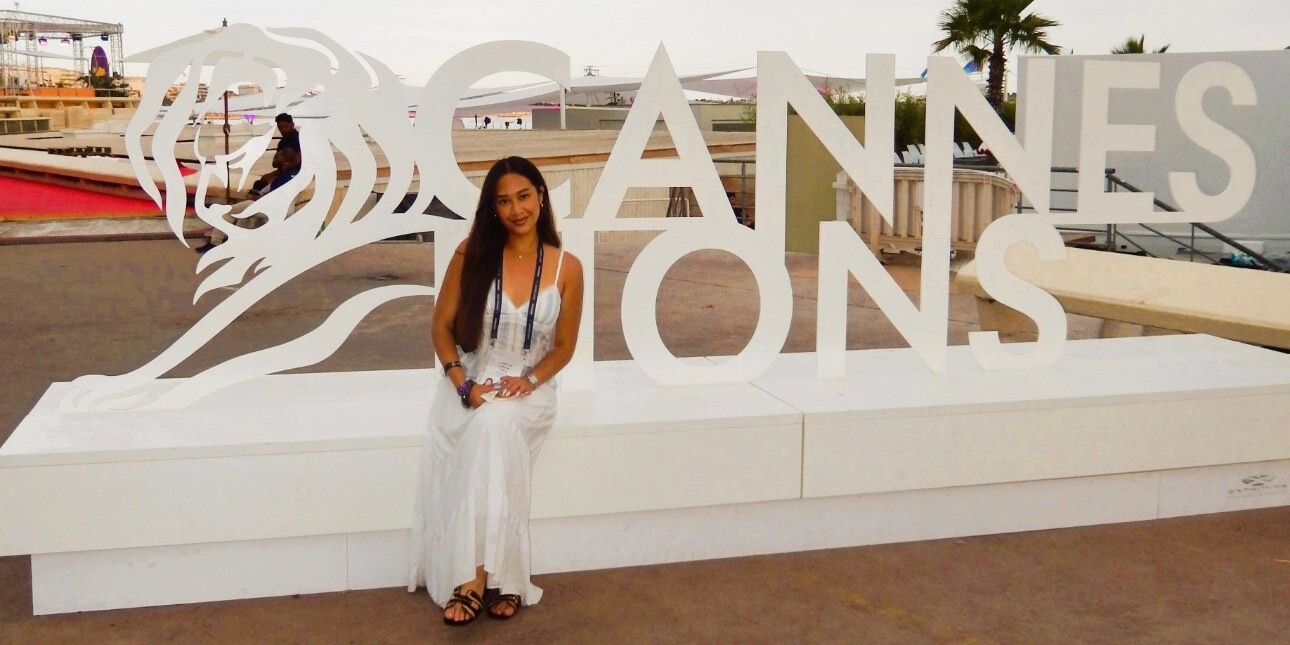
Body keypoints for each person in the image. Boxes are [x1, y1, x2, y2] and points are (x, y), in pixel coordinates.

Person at [408, 156, 584, 626]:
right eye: (503, 201)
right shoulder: (472, 254)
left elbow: (565, 347)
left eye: (524, 196)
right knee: (489, 422)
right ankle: (499, 577)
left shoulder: (568, 268)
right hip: (471, 382)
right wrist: (463, 385)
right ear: (492, 208)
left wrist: (529, 380)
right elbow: (440, 330)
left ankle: (474, 580)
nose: (516, 209)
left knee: (498, 422)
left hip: (531, 389)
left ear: (540, 196)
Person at [195, 114, 302, 252]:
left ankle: (215, 242)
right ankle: (239, 241)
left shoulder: (284, 174)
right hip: (282, 208)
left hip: (270, 208)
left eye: (285, 126)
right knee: (251, 199)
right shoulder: (292, 176)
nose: (283, 129)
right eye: (280, 127)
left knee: (228, 211)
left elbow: (271, 199)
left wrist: (254, 198)